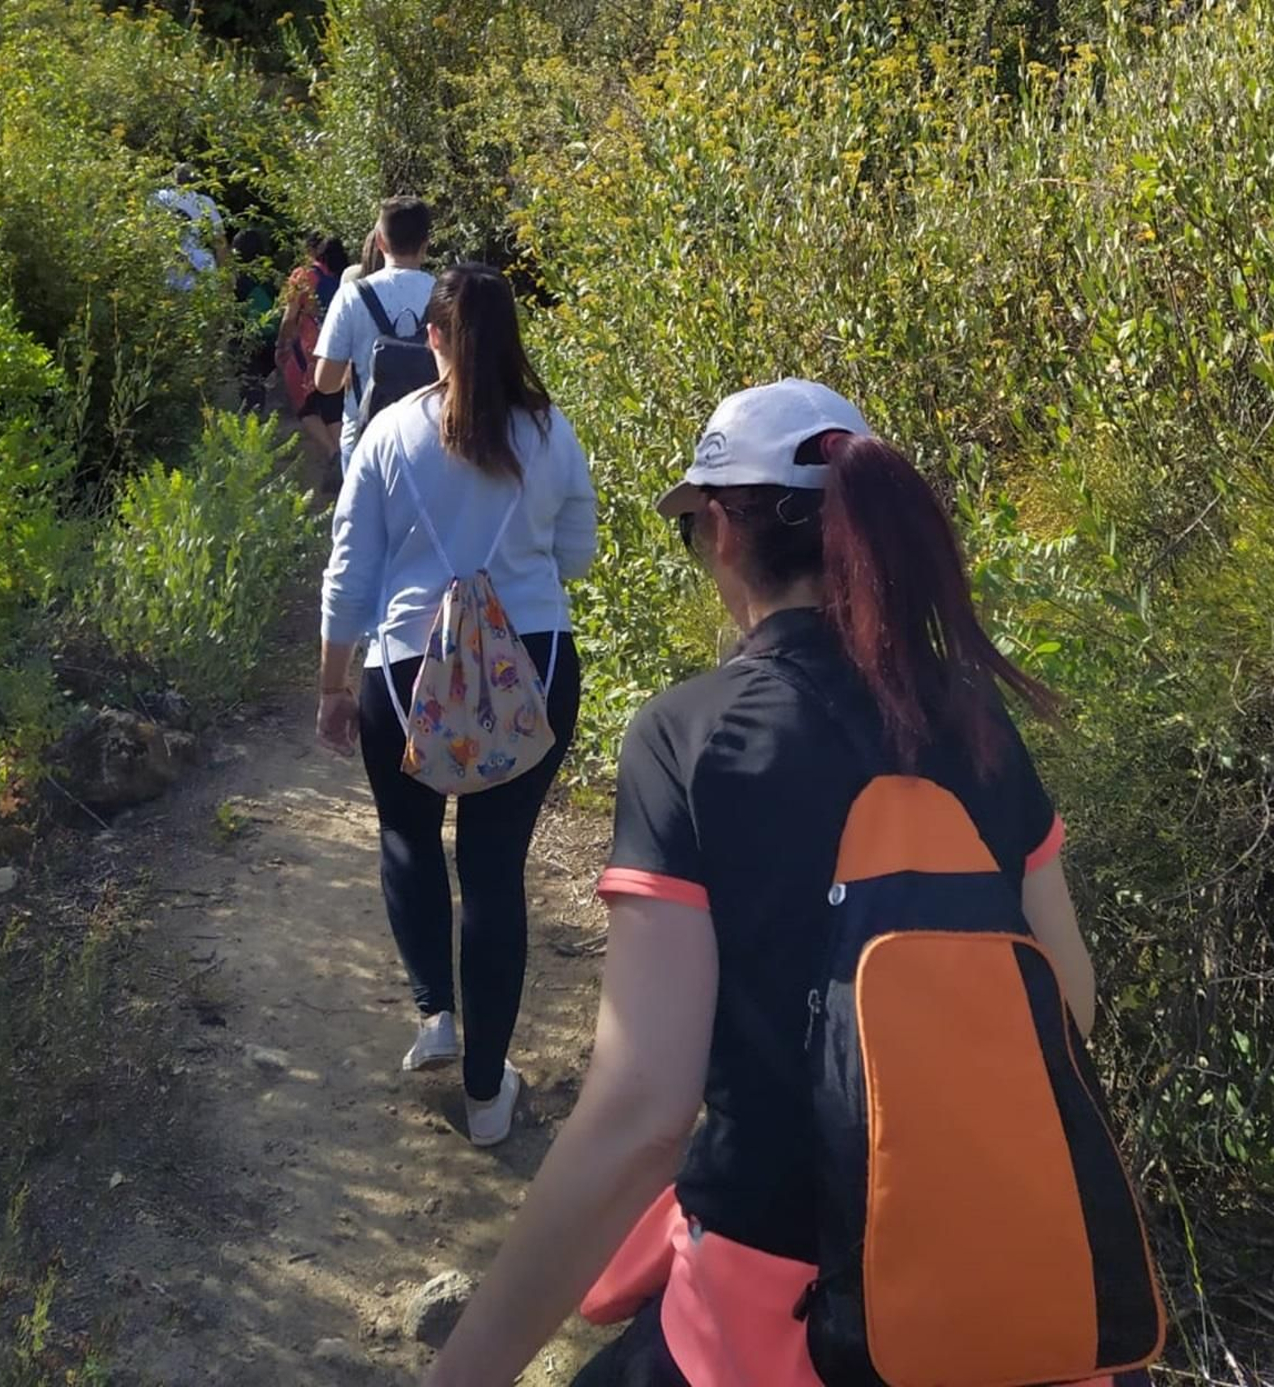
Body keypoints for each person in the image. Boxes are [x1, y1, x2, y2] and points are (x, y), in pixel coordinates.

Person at [417, 381, 1100, 1387]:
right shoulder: (976, 721)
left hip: (778, 1312)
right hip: (995, 1293)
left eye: (689, 532)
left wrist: (461, 1372)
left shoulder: (689, 737)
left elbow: (644, 1112)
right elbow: (1067, 1002)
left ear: (722, 532)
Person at [317, 262, 596, 1147]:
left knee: (406, 835)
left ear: (430, 336)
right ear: (514, 336)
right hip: (534, 668)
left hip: (404, 675)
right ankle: (486, 1097)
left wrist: (332, 683)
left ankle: (435, 1017)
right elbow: (579, 556)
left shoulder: (389, 435)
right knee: (493, 869)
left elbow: (349, 575)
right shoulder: (550, 432)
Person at [313, 196, 434, 476]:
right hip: (428, 436)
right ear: (426, 244)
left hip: (364, 436)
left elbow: (326, 382)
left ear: (379, 241)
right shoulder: (446, 295)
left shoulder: (352, 296)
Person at [276, 233, 350, 490]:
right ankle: (344, 460)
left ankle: (333, 453)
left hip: (306, 352)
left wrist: (282, 344)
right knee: (332, 404)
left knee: (305, 406)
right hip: (339, 350)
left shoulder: (303, 276)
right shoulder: (346, 278)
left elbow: (289, 317)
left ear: (313, 252)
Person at [154, 163, 227, 292]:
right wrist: (223, 277)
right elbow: (219, 243)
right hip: (203, 267)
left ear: (173, 178)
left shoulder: (159, 198)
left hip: (169, 268)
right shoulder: (205, 202)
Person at [231, 228, 278, 413]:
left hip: (247, 336)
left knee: (249, 375)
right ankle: (260, 407)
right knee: (261, 376)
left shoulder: (239, 278)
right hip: (270, 333)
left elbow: (235, 309)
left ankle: (251, 413)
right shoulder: (270, 274)